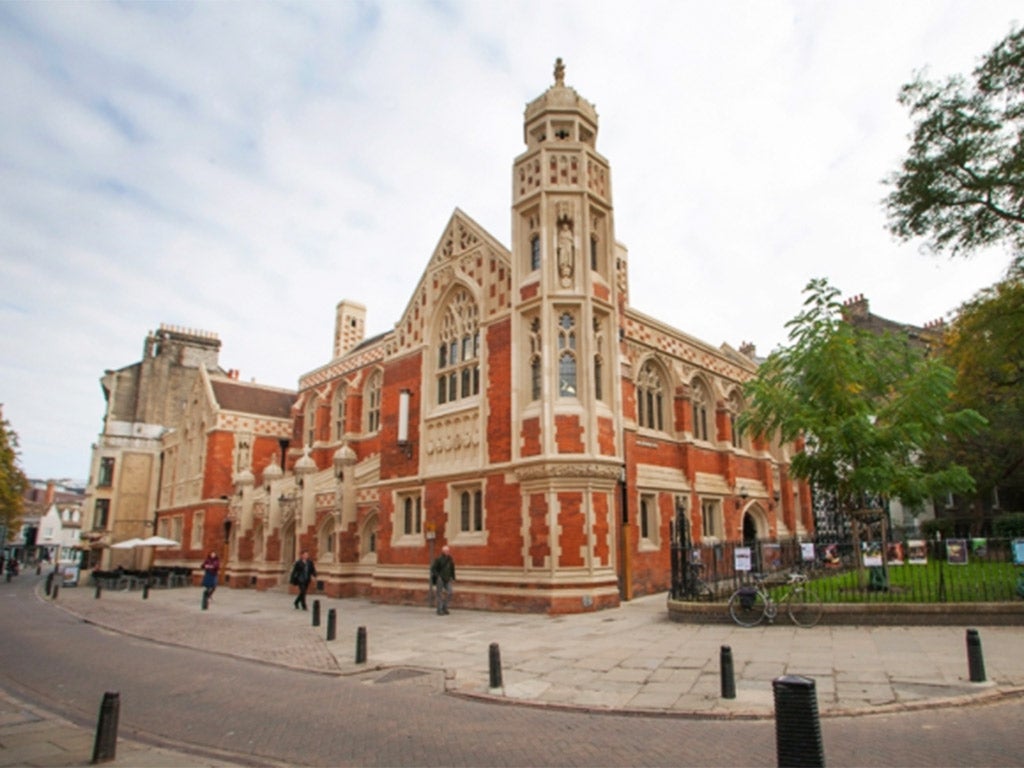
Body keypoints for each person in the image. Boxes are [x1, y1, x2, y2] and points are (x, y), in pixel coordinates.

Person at [430, 545, 455, 615]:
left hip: (448, 579)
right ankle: (439, 609)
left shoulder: (450, 559)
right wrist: (438, 576)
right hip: (440, 579)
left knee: (450, 592)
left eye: (448, 551)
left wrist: (453, 577)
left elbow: (452, 569)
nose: (447, 552)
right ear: (443, 551)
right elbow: (433, 569)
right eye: (446, 551)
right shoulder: (439, 559)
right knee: (439, 594)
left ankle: (445, 606)